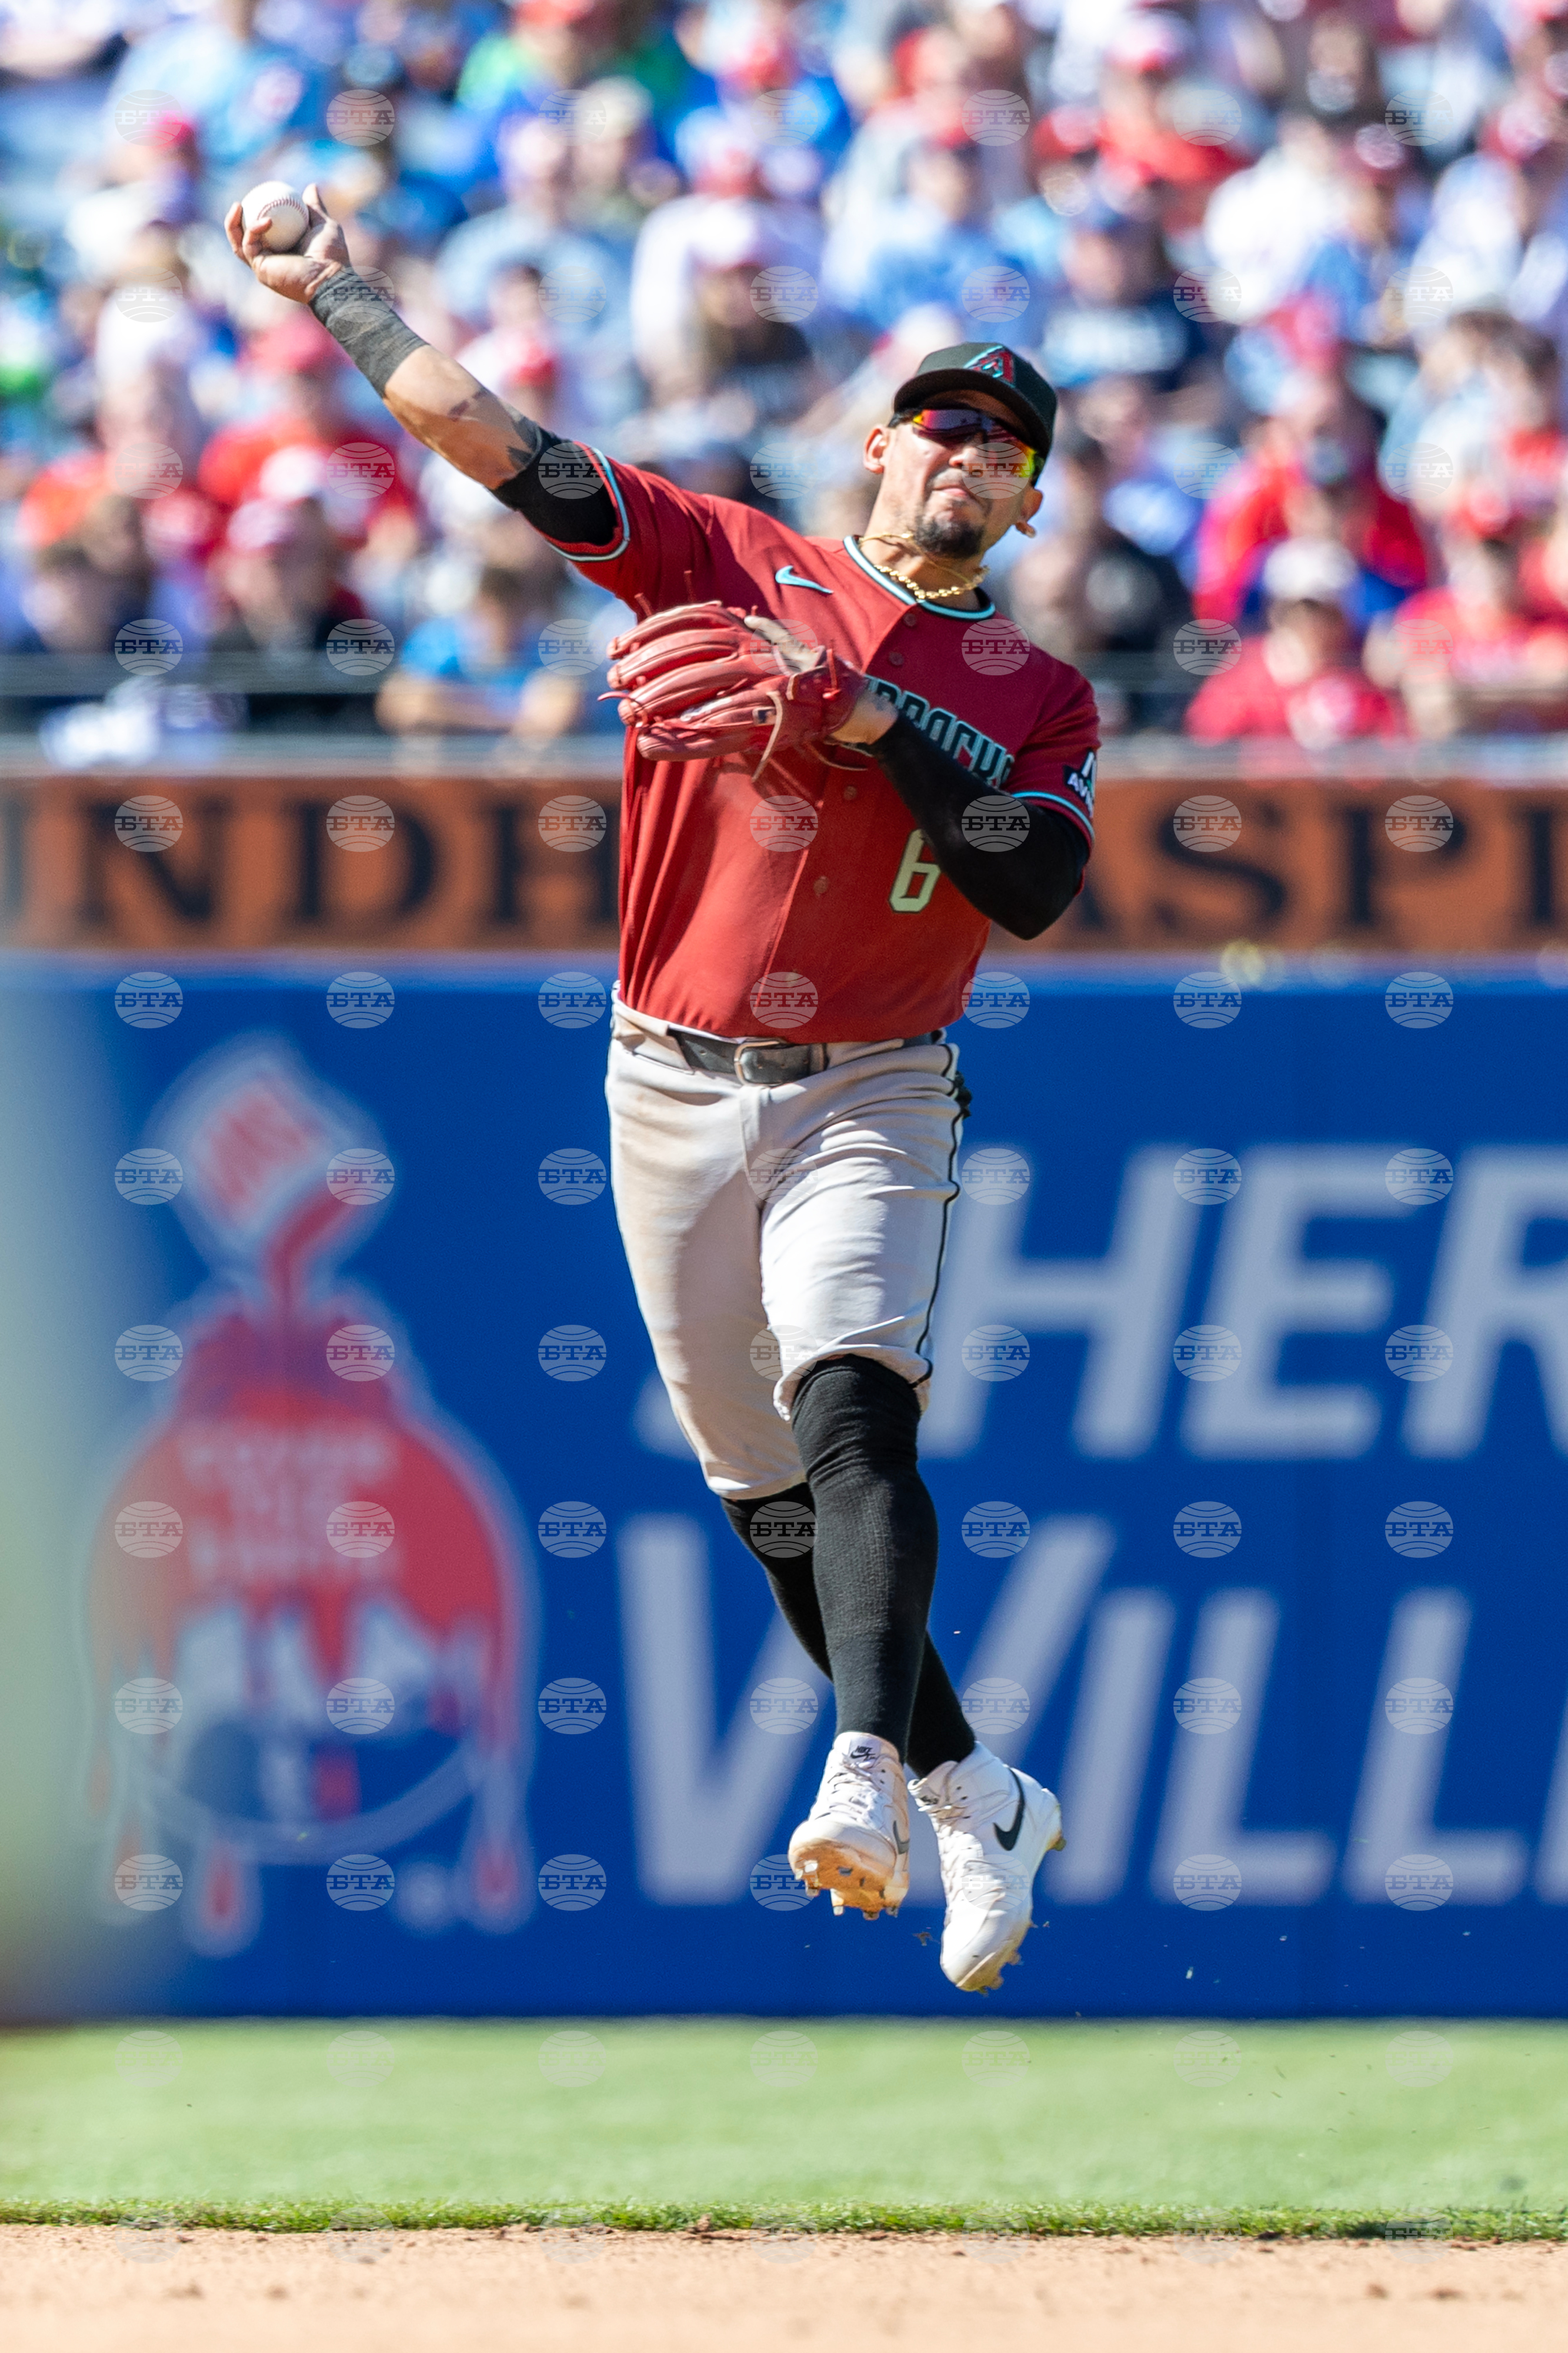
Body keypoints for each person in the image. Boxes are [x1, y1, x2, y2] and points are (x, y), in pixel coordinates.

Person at [229, 184, 1099, 1994]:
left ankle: (865, 1765)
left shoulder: (1028, 687)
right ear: (878, 444)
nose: (968, 454)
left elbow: (1028, 879)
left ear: (1027, 500)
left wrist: (872, 721)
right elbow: (494, 445)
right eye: (943, 423)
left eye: (1004, 446)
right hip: (667, 1077)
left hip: (873, 1078)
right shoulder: (727, 555)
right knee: (761, 1485)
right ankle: (973, 1790)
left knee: (853, 1400)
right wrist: (345, 297)